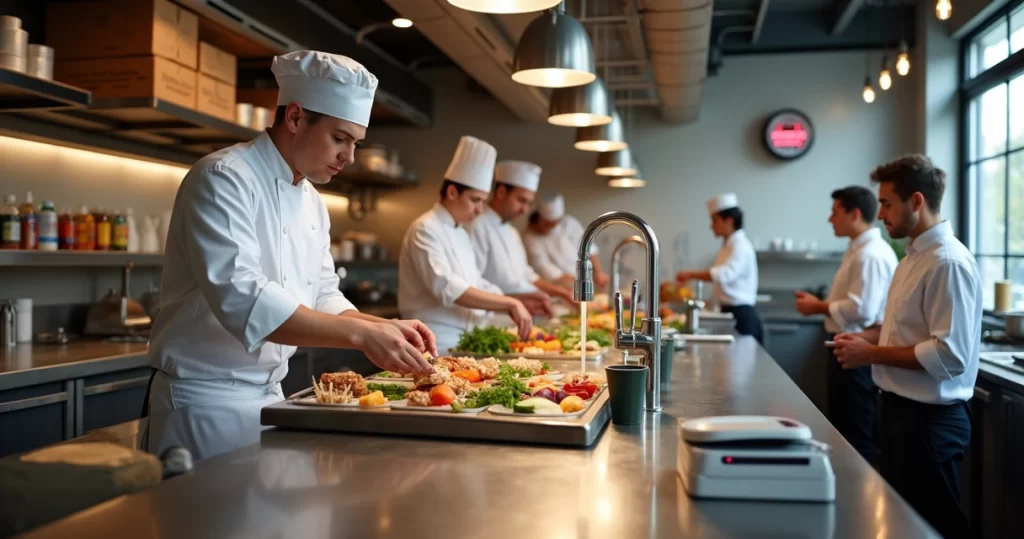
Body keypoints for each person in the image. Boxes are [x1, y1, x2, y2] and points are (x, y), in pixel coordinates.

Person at [147, 51, 435, 457]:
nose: (349, 157)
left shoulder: (313, 201)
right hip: (204, 404)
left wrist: (385, 327)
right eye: (340, 138)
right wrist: (363, 335)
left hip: (271, 396)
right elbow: (245, 300)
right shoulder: (222, 178)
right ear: (296, 117)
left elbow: (322, 294)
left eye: (355, 143)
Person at [833, 155, 980, 539]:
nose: (880, 214)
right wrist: (865, 338)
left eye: (886, 203)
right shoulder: (912, 257)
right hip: (900, 414)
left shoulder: (947, 262)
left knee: (936, 526)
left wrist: (871, 354)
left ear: (916, 201)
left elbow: (949, 355)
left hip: (929, 423)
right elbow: (901, 329)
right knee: (905, 526)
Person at [398, 136, 538, 354]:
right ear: (452, 192)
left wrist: (511, 300)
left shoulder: (461, 233)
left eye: (483, 201)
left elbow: (475, 282)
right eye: (475, 200)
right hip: (435, 340)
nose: (480, 209)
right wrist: (509, 303)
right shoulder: (425, 228)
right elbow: (448, 287)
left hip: (466, 337)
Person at [794, 186, 897, 464]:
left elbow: (861, 309)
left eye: (835, 212)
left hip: (858, 351)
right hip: (847, 348)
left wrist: (818, 306)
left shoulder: (869, 254)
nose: (830, 219)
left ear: (854, 214)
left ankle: (858, 488)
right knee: (845, 428)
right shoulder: (858, 250)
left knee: (856, 433)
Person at [467, 160, 574, 306]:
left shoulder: (512, 232)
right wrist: (515, 301)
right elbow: (473, 283)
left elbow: (527, 275)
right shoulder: (477, 226)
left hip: (516, 311)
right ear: (501, 192)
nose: (525, 210)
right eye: (521, 200)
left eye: (528, 203)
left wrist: (563, 293)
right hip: (495, 313)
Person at [676, 193, 762, 343]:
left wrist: (689, 274)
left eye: (714, 220)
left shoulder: (740, 246)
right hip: (731, 313)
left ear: (729, 220)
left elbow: (723, 275)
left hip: (742, 317)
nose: (711, 226)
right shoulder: (728, 245)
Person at [523, 191, 609, 291]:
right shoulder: (530, 238)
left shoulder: (569, 223)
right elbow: (545, 268)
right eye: (547, 224)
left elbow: (588, 247)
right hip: (555, 288)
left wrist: (598, 272)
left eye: (555, 223)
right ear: (539, 218)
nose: (552, 227)